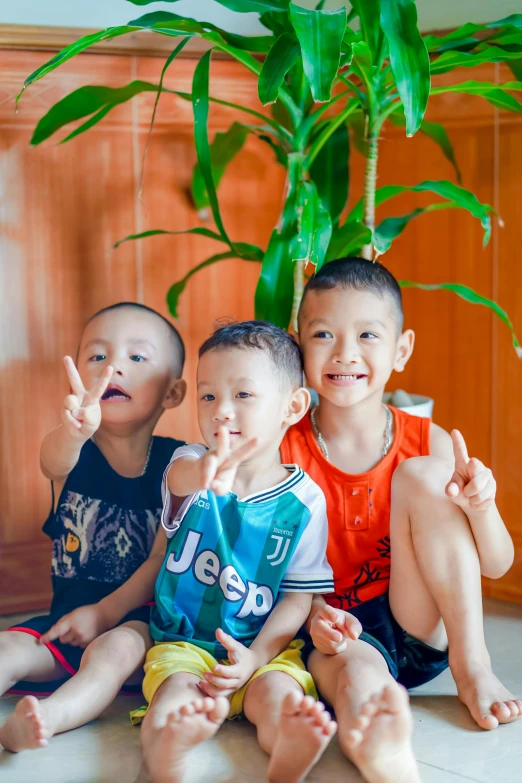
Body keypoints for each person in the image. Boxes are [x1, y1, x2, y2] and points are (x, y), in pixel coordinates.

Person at [280, 257, 519, 783]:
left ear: (401, 349)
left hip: (419, 626)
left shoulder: (427, 441)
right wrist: (316, 614)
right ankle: (380, 746)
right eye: (324, 334)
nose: (346, 353)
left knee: (422, 475)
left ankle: (471, 665)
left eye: (368, 334)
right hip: (335, 632)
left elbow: (499, 565)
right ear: (298, 345)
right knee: (358, 677)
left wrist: (482, 508)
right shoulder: (285, 446)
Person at [135, 321, 336, 783]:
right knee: (174, 698)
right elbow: (182, 479)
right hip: (184, 645)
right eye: (208, 397)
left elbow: (296, 597)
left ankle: (289, 748)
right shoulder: (187, 462)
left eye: (243, 395)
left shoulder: (304, 502)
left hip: (265, 651)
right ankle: (166, 751)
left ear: (293, 406)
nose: (222, 412)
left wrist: (258, 657)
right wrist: (208, 469)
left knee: (280, 697)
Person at [0, 302, 187, 753]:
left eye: (136, 358)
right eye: (97, 356)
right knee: (8, 646)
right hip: (64, 625)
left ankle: (46, 719)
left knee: (115, 650)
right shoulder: (74, 451)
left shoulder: (180, 465)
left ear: (173, 392)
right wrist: (75, 432)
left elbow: (162, 559)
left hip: (138, 626)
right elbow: (52, 459)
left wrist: (105, 614)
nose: (113, 366)